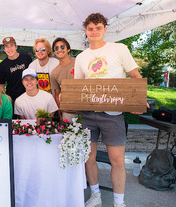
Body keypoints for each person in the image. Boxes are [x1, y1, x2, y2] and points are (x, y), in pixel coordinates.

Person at [74, 13, 144, 207]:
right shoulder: (81, 57)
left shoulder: (119, 49)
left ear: (105, 29)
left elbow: (135, 76)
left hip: (113, 114)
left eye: (98, 28)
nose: (94, 31)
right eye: (90, 28)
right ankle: (95, 195)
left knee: (117, 160)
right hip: (88, 114)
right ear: (85, 32)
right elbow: (78, 87)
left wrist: (138, 100)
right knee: (89, 158)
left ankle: (119, 202)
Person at [0, 36, 32, 104]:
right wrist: (6, 98)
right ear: (4, 49)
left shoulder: (26, 58)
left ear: (16, 46)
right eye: (6, 46)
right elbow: (1, 86)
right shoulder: (2, 66)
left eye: (11, 45)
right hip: (12, 99)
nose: (9, 49)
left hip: (28, 96)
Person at [50, 37, 75, 121]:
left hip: (85, 109)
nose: (59, 50)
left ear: (68, 49)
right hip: (68, 111)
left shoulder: (78, 62)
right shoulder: (54, 73)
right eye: (56, 48)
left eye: (62, 47)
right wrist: (60, 112)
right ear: (54, 52)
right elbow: (56, 94)